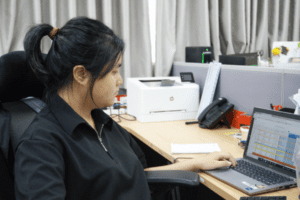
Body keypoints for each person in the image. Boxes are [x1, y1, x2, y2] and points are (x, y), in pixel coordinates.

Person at [14, 17, 237, 200]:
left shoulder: (105, 124)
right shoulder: (40, 144)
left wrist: (196, 163)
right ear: (81, 74)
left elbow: (138, 178)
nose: (119, 80)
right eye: (113, 71)